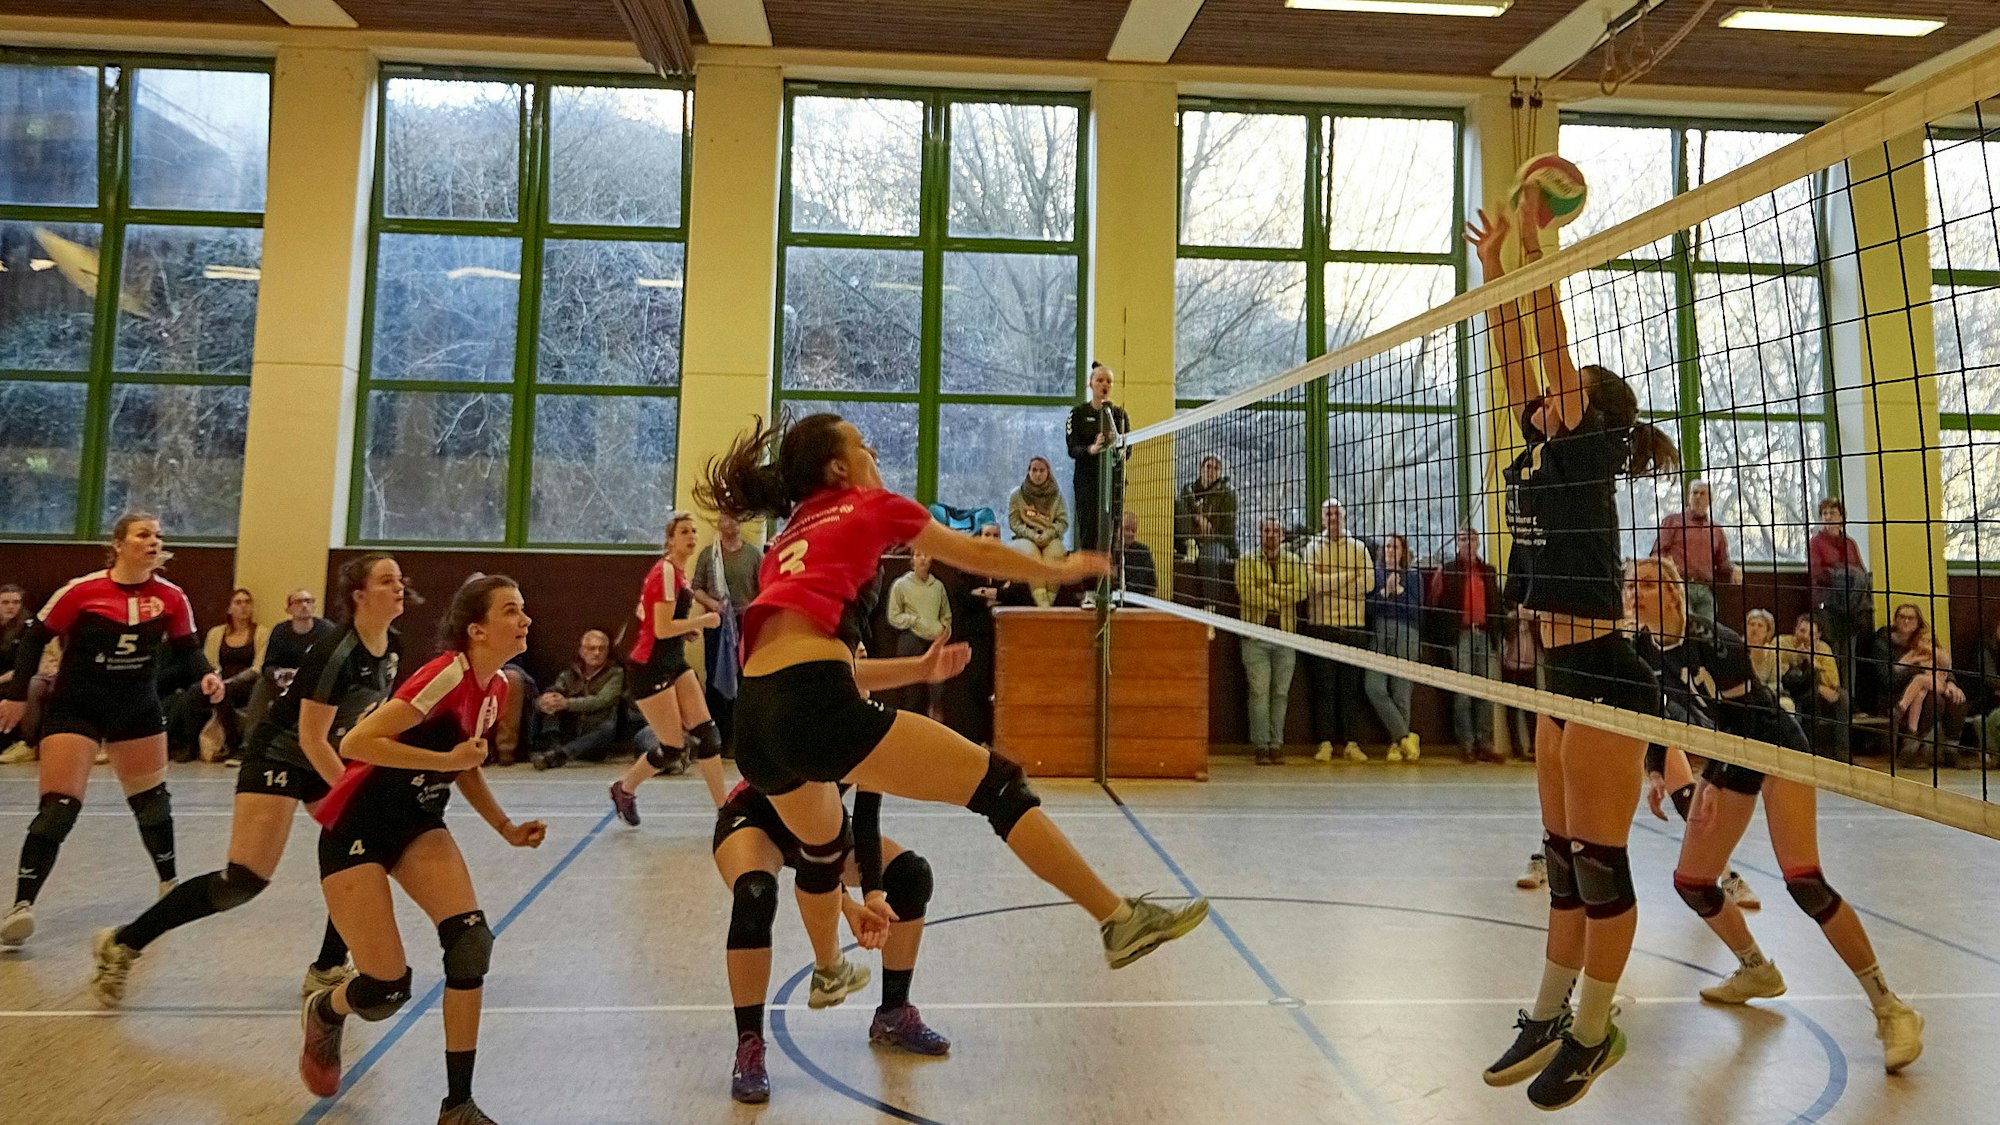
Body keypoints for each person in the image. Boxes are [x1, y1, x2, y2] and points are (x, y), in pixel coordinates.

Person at [694, 411, 1207, 993]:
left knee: (820, 852)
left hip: (754, 723)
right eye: (864, 447)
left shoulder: (783, 541)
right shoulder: (869, 504)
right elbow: (972, 554)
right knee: (999, 786)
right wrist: (1054, 567)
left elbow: (794, 655)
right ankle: (1119, 919)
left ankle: (829, 970)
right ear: (838, 467)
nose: (874, 457)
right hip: (814, 702)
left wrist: (915, 667)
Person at [1469, 203, 1680, 1109]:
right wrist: (1493, 271)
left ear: (1587, 407)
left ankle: (1596, 1031)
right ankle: (1551, 1011)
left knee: (1599, 864)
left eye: (1566, 389)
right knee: (1561, 861)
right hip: (1557, 680)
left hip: (1601, 674)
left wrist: (1541, 250)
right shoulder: (1547, 443)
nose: (1547, 396)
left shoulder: (1587, 448)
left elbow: (1550, 347)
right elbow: (1515, 357)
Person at [1626, 557, 1923, 1074]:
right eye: (1629, 584)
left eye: (1646, 584)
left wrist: (1711, 779)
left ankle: (1891, 1007)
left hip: (1776, 748)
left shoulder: (1716, 642)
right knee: (1694, 882)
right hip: (1730, 756)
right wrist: (1657, 769)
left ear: (1673, 595)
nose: (1634, 593)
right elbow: (1657, 712)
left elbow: (1744, 719)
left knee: (1804, 881)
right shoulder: (1641, 648)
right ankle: (1757, 969)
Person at [89, 554, 410, 1006]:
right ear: (359, 596)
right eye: (386, 581)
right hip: (281, 753)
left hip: (328, 756)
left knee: (366, 852)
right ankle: (123, 943)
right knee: (242, 881)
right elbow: (310, 736)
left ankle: (328, 967)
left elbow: (365, 723)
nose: (399, 587)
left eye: (400, 580)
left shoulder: (391, 647)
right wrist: (353, 790)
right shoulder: (337, 652)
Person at [299, 575, 548, 1124]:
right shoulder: (446, 674)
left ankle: (457, 1105)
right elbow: (355, 743)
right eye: (512, 611)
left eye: (523, 609)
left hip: (417, 824)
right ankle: (327, 1007)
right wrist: (445, 763)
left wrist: (504, 827)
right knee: (385, 991)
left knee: (470, 943)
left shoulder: (498, 686)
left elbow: (468, 764)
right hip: (357, 827)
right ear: (477, 630)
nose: (525, 620)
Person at [0, 514, 224, 952]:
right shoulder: (83, 591)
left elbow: (187, 649)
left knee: (152, 805)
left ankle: (168, 886)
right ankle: (21, 906)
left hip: (135, 708)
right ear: (118, 544)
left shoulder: (172, 597)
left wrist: (209, 677)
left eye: (158, 535)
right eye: (143, 534)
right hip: (77, 706)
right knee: (59, 808)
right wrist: (16, 695)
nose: (153, 541)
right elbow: (34, 637)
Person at [716, 778, 948, 1103]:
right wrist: (847, 903)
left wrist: (873, 897)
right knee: (756, 895)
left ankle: (893, 1014)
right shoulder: (805, 730)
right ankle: (749, 1045)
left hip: (819, 826)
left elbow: (864, 820)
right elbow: (808, 847)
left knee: (911, 874)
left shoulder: (873, 733)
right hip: (755, 819)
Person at [609, 513, 725, 822]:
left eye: (694, 531)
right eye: (684, 531)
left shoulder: (679, 574)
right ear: (670, 539)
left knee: (708, 734)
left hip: (673, 661)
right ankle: (625, 788)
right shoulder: (664, 573)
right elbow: (660, 629)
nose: (691, 536)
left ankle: (725, 810)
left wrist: (686, 630)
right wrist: (703, 620)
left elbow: (658, 622)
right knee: (673, 748)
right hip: (649, 668)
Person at [1302, 499, 1374, 764]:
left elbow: (1367, 584)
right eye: (1328, 514)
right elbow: (1312, 584)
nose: (1333, 518)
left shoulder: (1359, 547)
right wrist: (1347, 576)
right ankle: (1325, 742)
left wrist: (1330, 582)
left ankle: (1351, 743)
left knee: (1350, 688)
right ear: (1322, 519)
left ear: (1344, 516)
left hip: (1353, 626)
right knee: (1324, 688)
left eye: (1337, 513)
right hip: (1322, 625)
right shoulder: (1312, 547)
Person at [1430, 525, 1505, 762]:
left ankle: (1485, 742)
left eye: (1472, 539)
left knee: (1484, 691)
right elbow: (1437, 606)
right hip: (1460, 635)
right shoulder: (1448, 571)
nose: (1468, 544)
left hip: (1483, 634)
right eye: (1463, 539)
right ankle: (1468, 743)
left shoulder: (1488, 572)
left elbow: (1496, 605)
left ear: (1478, 543)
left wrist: (1499, 635)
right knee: (1463, 692)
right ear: (1457, 543)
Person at [1236, 517, 1308, 766]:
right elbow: (1246, 592)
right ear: (1260, 533)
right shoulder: (1246, 561)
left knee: (1280, 693)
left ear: (1283, 535)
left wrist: (1271, 589)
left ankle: (1276, 744)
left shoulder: (1295, 561)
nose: (1271, 534)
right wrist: (1278, 599)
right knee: (1259, 691)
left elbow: (1301, 590)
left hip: (1285, 636)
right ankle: (1261, 746)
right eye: (1267, 530)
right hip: (1256, 636)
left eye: (1276, 530)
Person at [693, 513, 762, 752]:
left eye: (733, 518)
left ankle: (739, 739)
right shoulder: (708, 556)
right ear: (718, 523)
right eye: (724, 518)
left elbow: (763, 589)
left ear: (740, 522)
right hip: (717, 623)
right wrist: (713, 605)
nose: (728, 523)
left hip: (744, 623)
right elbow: (697, 588)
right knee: (715, 677)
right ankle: (716, 738)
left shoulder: (753, 555)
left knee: (744, 678)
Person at [1363, 533, 1423, 763]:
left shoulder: (1413, 576)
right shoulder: (1375, 575)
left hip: (1407, 634)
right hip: (1380, 632)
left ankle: (1396, 745)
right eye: (1387, 546)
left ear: (1403, 551)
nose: (1390, 550)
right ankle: (1405, 736)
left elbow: (1418, 611)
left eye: (1395, 546)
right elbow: (1367, 609)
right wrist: (1384, 593)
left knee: (1401, 691)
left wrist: (1400, 593)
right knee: (1374, 687)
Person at [529, 629, 626, 769]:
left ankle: (560, 755)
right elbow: (556, 690)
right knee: (551, 705)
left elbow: (603, 700)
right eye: (591, 648)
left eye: (601, 649)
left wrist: (567, 704)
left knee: (607, 728)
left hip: (594, 736)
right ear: (582, 651)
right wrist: (545, 702)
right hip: (570, 730)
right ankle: (552, 749)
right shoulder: (569, 674)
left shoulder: (615, 673)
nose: (597, 653)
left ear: (608, 651)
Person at [1649, 480, 1740, 628]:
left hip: (1705, 590)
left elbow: (1722, 562)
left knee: (1708, 634)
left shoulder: (1716, 530)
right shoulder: (1673, 521)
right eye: (1694, 493)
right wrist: (1667, 566)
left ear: (1710, 500)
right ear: (1688, 497)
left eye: (1702, 493)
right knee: (1684, 631)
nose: (1698, 497)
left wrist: (1734, 568)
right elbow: (1657, 553)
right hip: (1680, 587)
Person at [198, 587, 270, 761]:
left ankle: (234, 744)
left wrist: (229, 682)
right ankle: (190, 745)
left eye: (247, 602)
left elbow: (259, 666)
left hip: (247, 683)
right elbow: (209, 663)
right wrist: (216, 680)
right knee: (193, 694)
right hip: (219, 681)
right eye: (238, 602)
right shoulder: (216, 634)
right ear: (229, 608)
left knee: (223, 694)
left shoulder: (261, 633)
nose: (243, 606)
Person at [252, 588, 335, 736]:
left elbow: (331, 664)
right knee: (262, 684)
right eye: (298, 602)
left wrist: (302, 674)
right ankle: (249, 742)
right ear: (289, 609)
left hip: (314, 682)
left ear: (314, 606)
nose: (304, 605)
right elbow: (268, 664)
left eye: (308, 601)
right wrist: (278, 675)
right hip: (285, 680)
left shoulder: (327, 630)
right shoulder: (280, 631)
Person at [1808, 498, 1871, 691]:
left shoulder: (1850, 543)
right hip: (1829, 605)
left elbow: (1860, 569)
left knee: (1850, 654)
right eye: (1824, 514)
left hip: (1851, 607)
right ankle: (1836, 695)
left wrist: (1846, 575)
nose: (1828, 517)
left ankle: (1849, 697)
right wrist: (1841, 574)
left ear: (1841, 517)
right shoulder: (1816, 542)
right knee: (1832, 652)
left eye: (1832, 513)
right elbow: (1816, 572)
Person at [1066, 362, 1128, 554]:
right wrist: (1091, 449)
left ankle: (1109, 576)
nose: (1104, 385)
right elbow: (1072, 449)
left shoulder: (1119, 415)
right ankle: (1089, 581)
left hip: (1112, 482)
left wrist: (1113, 448)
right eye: (1099, 380)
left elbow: (1128, 449)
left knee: (1110, 533)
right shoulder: (1078, 414)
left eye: (1109, 381)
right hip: (1087, 482)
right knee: (1088, 532)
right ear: (1090, 384)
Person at [1890, 623, 1968, 770]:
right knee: (1921, 695)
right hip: (1914, 691)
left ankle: (1901, 708)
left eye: (1929, 641)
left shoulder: (1938, 653)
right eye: (1922, 641)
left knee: (1954, 699)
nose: (1925, 644)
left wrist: (1951, 683)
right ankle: (1911, 739)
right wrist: (1912, 660)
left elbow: (1947, 667)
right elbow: (1895, 671)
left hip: (1939, 685)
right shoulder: (1910, 653)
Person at [886, 550, 952, 717]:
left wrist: (944, 630)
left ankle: (936, 734)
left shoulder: (938, 586)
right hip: (911, 641)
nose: (923, 559)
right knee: (911, 694)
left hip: (935, 643)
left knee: (937, 693)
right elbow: (893, 615)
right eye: (918, 555)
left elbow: (946, 614)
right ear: (912, 560)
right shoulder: (901, 585)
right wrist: (914, 620)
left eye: (927, 554)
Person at [1778, 614, 1848, 757]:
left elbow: (1833, 681)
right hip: (1792, 689)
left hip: (1816, 689)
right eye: (1802, 631)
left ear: (1819, 636)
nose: (1805, 636)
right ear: (1795, 629)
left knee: (1843, 696)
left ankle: (1842, 751)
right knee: (1812, 694)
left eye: (1811, 634)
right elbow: (1780, 674)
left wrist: (1811, 659)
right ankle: (1809, 749)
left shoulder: (1823, 648)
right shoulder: (1782, 643)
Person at [1174, 454, 1237, 610]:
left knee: (1207, 559)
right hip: (1192, 539)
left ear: (1220, 472)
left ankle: (1211, 608)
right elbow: (1182, 517)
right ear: (1201, 469)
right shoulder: (1188, 491)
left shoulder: (1227, 494)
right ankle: (1190, 545)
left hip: (1217, 541)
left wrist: (1209, 531)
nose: (1211, 471)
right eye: (1208, 466)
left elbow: (1228, 531)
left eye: (1216, 468)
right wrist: (1198, 517)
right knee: (1177, 503)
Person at [1007, 456, 1069, 608]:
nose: (1038, 474)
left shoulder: (1057, 495)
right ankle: (1042, 603)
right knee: (1031, 555)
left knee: (1054, 554)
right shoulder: (1017, 495)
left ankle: (1049, 600)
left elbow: (1063, 522)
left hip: (1050, 537)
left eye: (1042, 470)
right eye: (1034, 470)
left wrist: (1049, 534)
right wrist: (1031, 535)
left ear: (1048, 472)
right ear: (1028, 472)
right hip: (1025, 537)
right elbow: (1014, 522)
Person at [1857, 601, 1926, 719]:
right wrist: (1915, 670)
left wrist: (1950, 682)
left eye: (1911, 618)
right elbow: (1886, 680)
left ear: (1918, 623)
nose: (1906, 621)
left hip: (1921, 688)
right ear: (1895, 620)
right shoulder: (1882, 643)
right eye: (1902, 617)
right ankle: (1912, 734)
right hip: (1889, 695)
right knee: (1925, 696)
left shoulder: (1924, 641)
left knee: (1950, 697)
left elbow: (1940, 664)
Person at [0, 584, 27, 762]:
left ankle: (11, 743)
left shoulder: (28, 627)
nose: (11, 606)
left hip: (14, 678)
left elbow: (26, 666)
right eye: (6, 602)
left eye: (16, 602)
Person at [1115, 510, 1158, 600]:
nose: (1130, 534)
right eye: (1126, 529)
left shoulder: (1143, 552)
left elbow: (1151, 586)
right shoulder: (1110, 551)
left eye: (1133, 530)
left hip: (1138, 603)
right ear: (1117, 530)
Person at [1744, 609, 1781, 692]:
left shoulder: (1772, 653)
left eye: (1760, 625)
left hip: (1764, 693)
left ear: (1768, 632)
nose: (1755, 628)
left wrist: (1762, 689)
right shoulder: (1738, 647)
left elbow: (1776, 683)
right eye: (1752, 624)